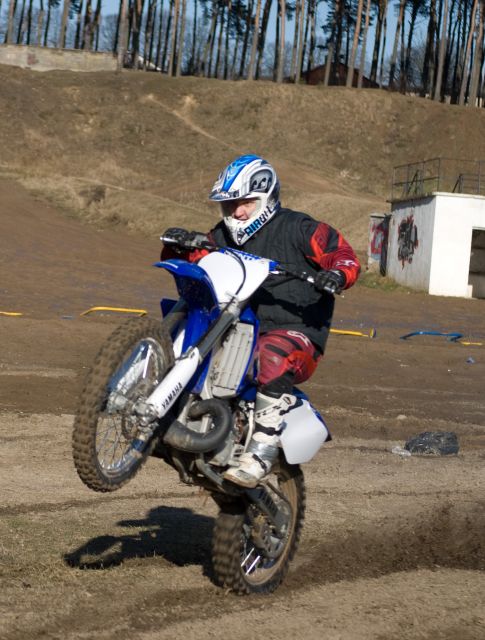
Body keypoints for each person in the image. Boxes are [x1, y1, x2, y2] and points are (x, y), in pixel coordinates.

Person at [161, 154, 360, 488]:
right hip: (237, 329)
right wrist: (178, 246)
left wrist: (337, 274)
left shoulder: (300, 228)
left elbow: (342, 254)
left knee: (273, 352)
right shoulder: (221, 235)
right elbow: (199, 257)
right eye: (230, 205)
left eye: (246, 203)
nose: (237, 212)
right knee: (187, 321)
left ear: (266, 198)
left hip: (296, 331)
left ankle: (262, 450)